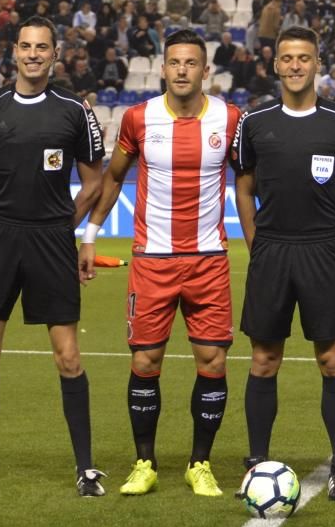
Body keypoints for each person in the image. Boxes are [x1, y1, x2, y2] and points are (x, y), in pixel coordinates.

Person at [80, 29, 241, 497]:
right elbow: (112, 179)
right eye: (175, 62)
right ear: (163, 68)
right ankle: (144, 462)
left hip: (209, 259)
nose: (182, 70)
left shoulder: (230, 120)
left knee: (211, 361)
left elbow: (250, 183)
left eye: (191, 63)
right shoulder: (138, 118)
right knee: (146, 360)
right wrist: (89, 236)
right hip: (152, 260)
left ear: (205, 70)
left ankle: (200, 463)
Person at [0, 16, 106, 496]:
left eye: (42, 47)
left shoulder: (74, 112)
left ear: (55, 54)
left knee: (68, 356)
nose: (33, 54)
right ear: (13, 52)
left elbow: (95, 180)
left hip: (51, 242)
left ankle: (85, 469)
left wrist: (65, 225)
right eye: (25, 46)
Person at [231, 26, 335, 501]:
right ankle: (255, 464)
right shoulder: (254, 123)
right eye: (286, 58)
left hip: (321, 252)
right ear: (275, 65)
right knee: (264, 360)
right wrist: (257, 243)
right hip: (272, 251)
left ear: (317, 64)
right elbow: (243, 188)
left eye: (303, 58)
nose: (294, 66)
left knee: (332, 360)